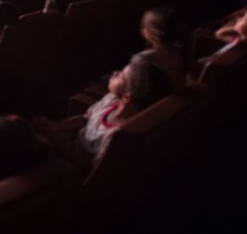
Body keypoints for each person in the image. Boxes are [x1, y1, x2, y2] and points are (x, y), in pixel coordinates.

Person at [36, 55, 173, 172]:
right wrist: (56, 127)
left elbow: (88, 167)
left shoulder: (115, 138)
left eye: (121, 75)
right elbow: (85, 119)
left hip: (74, 161)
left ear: (126, 97)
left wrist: (53, 139)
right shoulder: (112, 99)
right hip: (72, 140)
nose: (115, 72)